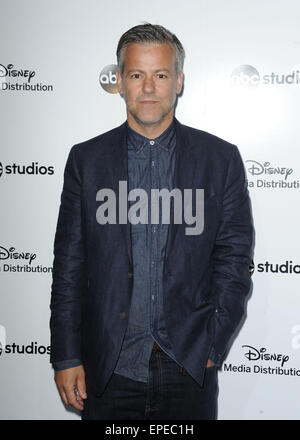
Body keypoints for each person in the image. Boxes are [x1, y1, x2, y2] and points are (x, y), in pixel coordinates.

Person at [50, 23, 254, 420]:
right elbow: (69, 268)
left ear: (178, 81)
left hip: (188, 365)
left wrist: (212, 345)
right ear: (120, 83)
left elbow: (234, 260)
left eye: (160, 75)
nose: (148, 88)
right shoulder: (86, 161)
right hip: (108, 366)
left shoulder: (220, 159)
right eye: (136, 75)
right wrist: (66, 355)